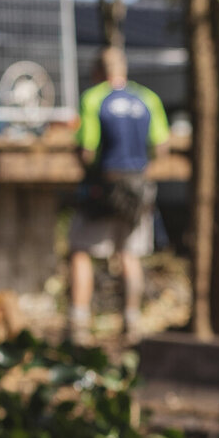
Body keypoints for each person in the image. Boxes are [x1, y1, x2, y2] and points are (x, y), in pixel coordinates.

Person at [68, 46, 169, 344]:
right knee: (129, 254)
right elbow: (161, 148)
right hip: (138, 189)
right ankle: (132, 322)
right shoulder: (148, 98)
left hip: (103, 188)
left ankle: (79, 325)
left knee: (81, 252)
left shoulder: (94, 98)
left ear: (98, 72)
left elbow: (87, 151)